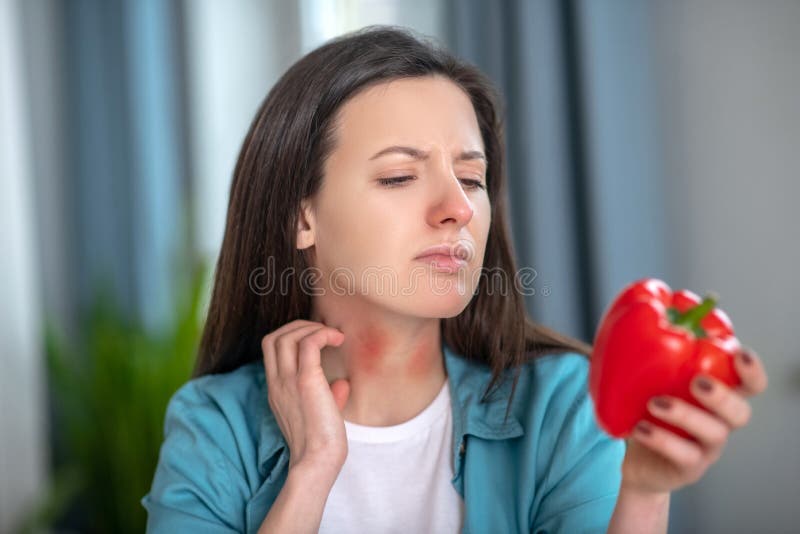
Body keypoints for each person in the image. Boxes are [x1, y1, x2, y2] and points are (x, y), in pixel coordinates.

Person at [141, 25, 768, 533]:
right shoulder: (213, 427)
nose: (459, 208)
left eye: (471, 178)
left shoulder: (566, 406)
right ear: (301, 216)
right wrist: (312, 470)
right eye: (398, 176)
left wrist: (645, 495)